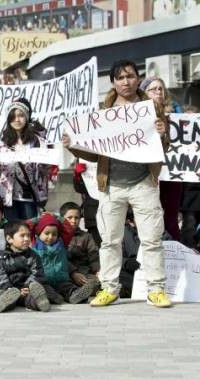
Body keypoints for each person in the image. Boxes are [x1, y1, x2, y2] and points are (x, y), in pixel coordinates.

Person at [62, 59, 171, 308]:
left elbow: (163, 148)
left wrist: (162, 133)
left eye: (130, 76)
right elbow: (95, 153)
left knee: (152, 238)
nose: (126, 81)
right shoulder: (103, 112)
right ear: (113, 82)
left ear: (137, 78)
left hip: (144, 182)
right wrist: (74, 145)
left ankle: (156, 289)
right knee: (110, 240)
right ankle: (109, 288)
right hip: (111, 185)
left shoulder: (152, 108)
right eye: (120, 77)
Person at [0, 98, 51, 220]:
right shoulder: (1, 143)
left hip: (29, 197)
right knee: (12, 231)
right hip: (8, 197)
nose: (17, 119)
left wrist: (39, 162)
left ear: (27, 117)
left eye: (21, 115)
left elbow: (44, 170)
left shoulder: (38, 142)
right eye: (13, 116)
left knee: (29, 230)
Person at [141, 76, 184, 242]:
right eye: (154, 89)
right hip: (150, 173)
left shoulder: (176, 113)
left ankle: (174, 252)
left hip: (173, 172)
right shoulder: (138, 114)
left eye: (161, 88)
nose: (158, 92)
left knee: (171, 215)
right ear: (144, 93)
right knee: (153, 214)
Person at [29, 213, 95, 304]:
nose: (50, 237)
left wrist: (56, 217)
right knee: (45, 290)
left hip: (62, 280)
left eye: (54, 234)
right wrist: (39, 218)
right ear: (39, 233)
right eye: (46, 233)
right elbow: (27, 225)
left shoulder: (61, 243)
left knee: (69, 288)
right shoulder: (34, 243)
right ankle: (53, 297)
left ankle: (75, 296)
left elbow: (69, 229)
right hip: (44, 281)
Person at [0, 221, 51, 313]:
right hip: (8, 290)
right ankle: (3, 303)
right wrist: (10, 289)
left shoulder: (33, 256)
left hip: (27, 290)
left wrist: (27, 287)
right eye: (22, 236)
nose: (27, 239)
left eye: (28, 235)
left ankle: (40, 303)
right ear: (9, 238)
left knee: (33, 297)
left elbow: (37, 274)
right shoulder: (0, 257)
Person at [60, 202, 101, 295]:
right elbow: (60, 258)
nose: (73, 221)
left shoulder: (86, 236)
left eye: (77, 218)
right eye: (69, 217)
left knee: (99, 283)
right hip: (66, 273)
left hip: (84, 274)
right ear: (62, 218)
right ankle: (74, 293)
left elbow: (94, 255)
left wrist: (97, 271)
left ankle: (81, 292)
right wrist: (73, 273)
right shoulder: (57, 236)